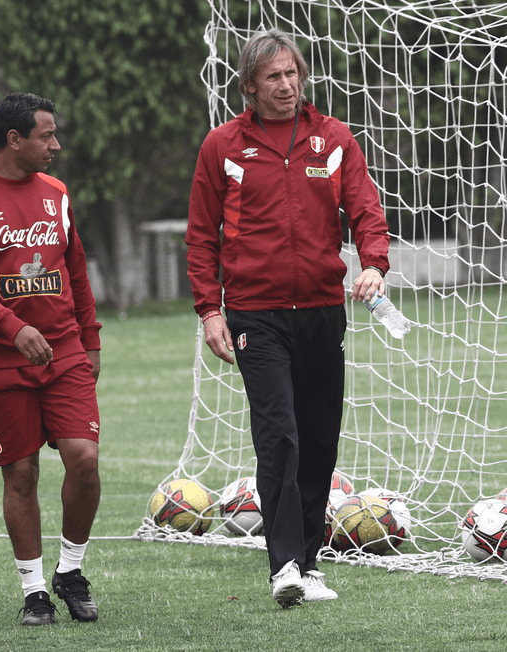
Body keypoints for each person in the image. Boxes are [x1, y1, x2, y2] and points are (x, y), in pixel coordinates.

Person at [186, 29, 390, 607]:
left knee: (320, 439)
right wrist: (209, 310)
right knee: (279, 435)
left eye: (292, 74)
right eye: (272, 77)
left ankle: (309, 561)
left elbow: (366, 211)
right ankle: (283, 569)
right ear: (250, 86)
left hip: (325, 312)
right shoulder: (222, 146)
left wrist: (373, 264)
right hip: (257, 317)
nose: (286, 85)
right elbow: (201, 237)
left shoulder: (335, 139)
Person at [0, 92, 102, 626]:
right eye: (46, 135)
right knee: (22, 473)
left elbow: (75, 270)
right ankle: (35, 591)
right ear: (15, 140)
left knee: (84, 458)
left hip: (64, 352)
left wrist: (91, 340)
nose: (56, 145)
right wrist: (14, 328)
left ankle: (71, 571)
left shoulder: (56, 194)